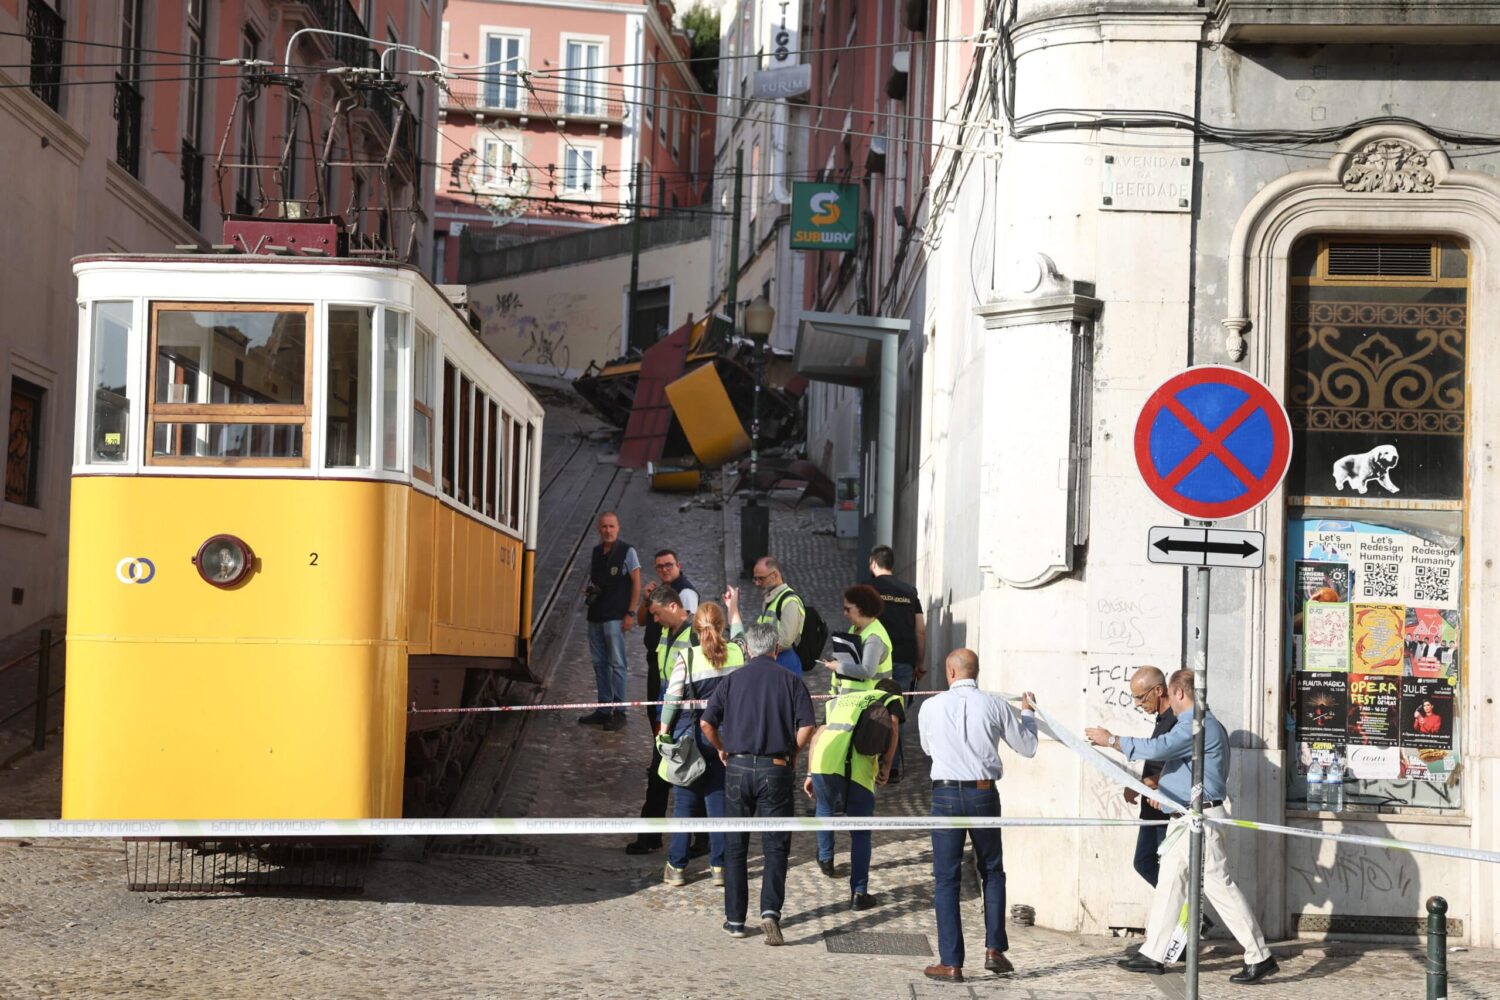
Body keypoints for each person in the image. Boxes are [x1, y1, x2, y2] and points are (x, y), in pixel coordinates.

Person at [1086, 669, 1278, 985]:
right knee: (1170, 883)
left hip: (1200, 820)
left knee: (1220, 887)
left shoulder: (1196, 726)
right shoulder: (1200, 725)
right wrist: (1167, 794)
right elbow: (1185, 771)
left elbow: (1159, 749)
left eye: (1172, 699)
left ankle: (1259, 955)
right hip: (1185, 818)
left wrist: (1112, 740)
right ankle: (1153, 953)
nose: (1171, 708)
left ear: (1177, 693)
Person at [918, 649, 1037, 983]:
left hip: (944, 795)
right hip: (983, 793)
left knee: (946, 878)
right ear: (977, 672)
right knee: (992, 870)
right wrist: (1026, 714)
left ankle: (951, 962)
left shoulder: (930, 706)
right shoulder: (996, 705)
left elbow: (928, 749)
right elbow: (1027, 747)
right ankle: (994, 949)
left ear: (950, 673)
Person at [700, 623, 816, 944]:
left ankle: (735, 920)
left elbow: (706, 722)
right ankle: (769, 912)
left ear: (748, 650)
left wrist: (722, 748)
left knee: (736, 847)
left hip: (736, 768)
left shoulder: (732, 680)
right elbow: (808, 725)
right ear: (776, 649)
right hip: (775, 768)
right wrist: (792, 751)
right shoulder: (790, 681)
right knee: (775, 845)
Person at [803, 631, 903, 910]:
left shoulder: (837, 701)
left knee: (824, 807)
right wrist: (886, 765)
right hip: (858, 768)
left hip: (824, 762)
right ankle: (859, 892)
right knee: (861, 832)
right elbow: (893, 728)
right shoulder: (887, 697)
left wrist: (810, 772)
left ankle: (825, 858)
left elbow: (818, 734)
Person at [658, 602, 745, 887]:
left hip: (693, 736)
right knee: (718, 799)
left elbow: (672, 699)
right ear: (721, 628)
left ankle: (677, 866)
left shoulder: (687, 657)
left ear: (696, 629)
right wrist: (734, 608)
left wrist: (662, 732)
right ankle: (719, 867)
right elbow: (742, 637)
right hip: (726, 736)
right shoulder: (736, 652)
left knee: (685, 802)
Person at [626, 550, 700, 856]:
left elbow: (685, 685)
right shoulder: (666, 634)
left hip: (682, 719)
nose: (654, 619)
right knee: (667, 775)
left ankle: (663, 839)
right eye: (659, 566)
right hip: (667, 711)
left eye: (658, 614)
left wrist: (664, 722)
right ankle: (659, 836)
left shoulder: (690, 631)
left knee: (674, 777)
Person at [867, 545, 925, 781]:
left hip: (876, 660)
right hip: (903, 659)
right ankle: (893, 767)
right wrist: (919, 662)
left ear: (873, 563)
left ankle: (870, 761)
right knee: (896, 712)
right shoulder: (909, 592)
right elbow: (920, 630)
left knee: (871, 709)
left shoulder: (868, 588)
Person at [580, 512, 640, 732]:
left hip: (615, 617)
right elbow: (595, 579)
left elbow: (636, 582)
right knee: (599, 664)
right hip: (595, 616)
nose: (608, 530)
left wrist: (630, 613)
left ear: (618, 528)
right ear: (599, 529)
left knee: (617, 663)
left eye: (611, 526)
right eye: (604, 526)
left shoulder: (627, 551)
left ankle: (620, 710)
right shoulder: (596, 552)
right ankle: (604, 708)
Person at [1122, 667, 1175, 888]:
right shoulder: (1162, 719)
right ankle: (1192, 919)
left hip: (1165, 805)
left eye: (1141, 697)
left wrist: (1142, 785)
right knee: (1144, 862)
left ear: (1159, 690)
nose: (1138, 703)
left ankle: (1193, 920)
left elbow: (1176, 768)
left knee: (1169, 868)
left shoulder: (1176, 720)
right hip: (1151, 807)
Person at [823, 584, 894, 688]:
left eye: (847, 609)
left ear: (861, 608)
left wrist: (838, 666)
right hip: (855, 699)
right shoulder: (855, 628)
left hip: (872, 700)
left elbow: (867, 671)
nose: (845, 613)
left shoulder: (874, 638)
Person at [751, 556, 806, 674]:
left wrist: (760, 651)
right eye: (755, 579)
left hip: (784, 662)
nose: (757, 583)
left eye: (761, 578)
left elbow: (785, 640)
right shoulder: (771, 599)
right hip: (771, 661)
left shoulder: (790, 602)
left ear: (774, 575)